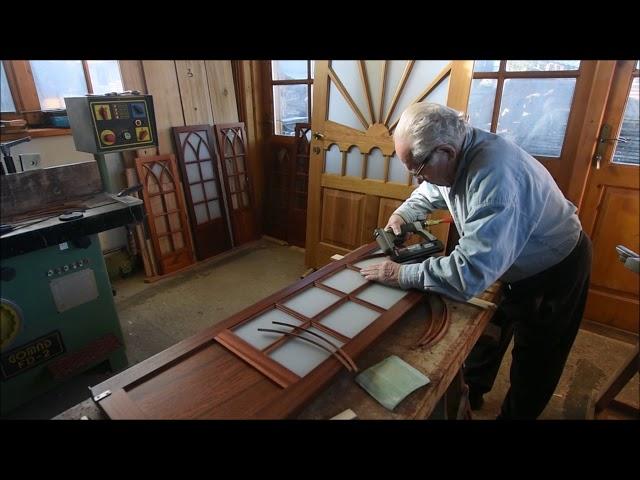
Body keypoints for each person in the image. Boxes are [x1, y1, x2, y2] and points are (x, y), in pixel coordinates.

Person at [360, 102, 592, 419]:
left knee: (536, 358)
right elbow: (430, 191)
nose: (418, 179)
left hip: (553, 269)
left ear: (445, 151)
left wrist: (399, 274)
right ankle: (473, 394)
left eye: (417, 169)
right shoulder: (457, 149)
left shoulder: (495, 178)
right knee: (489, 335)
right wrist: (403, 215)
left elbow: (468, 275)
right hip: (510, 261)